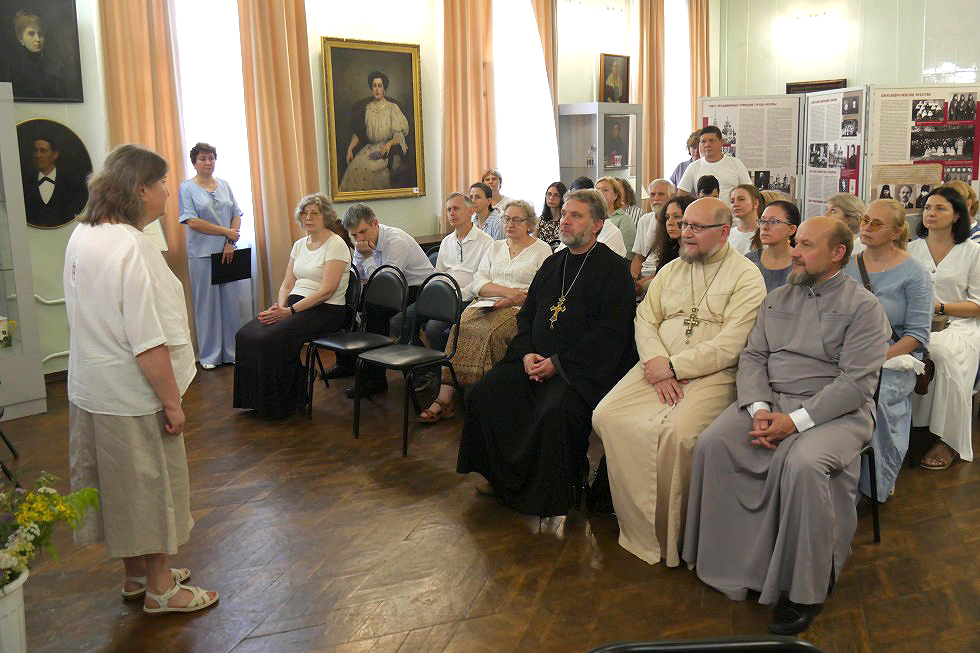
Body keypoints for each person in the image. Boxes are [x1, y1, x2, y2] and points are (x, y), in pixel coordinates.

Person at [683, 217, 890, 635]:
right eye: (797, 243)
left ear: (837, 255)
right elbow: (753, 357)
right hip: (771, 401)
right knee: (713, 443)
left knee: (803, 465)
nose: (794, 251)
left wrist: (793, 423)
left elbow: (855, 384)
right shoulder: (778, 297)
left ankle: (805, 590)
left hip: (835, 412)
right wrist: (760, 408)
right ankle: (726, 562)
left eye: (806, 246)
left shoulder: (864, 307)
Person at [65, 144, 218, 615]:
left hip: (90, 385)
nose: (170, 192)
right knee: (150, 487)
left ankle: (135, 575)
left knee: (120, 486)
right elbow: (148, 339)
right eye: (163, 183)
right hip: (132, 392)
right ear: (140, 189)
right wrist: (172, 403)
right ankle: (160, 590)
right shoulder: (132, 246)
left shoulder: (83, 234)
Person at [592, 197, 766, 566]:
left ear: (723, 232)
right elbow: (645, 319)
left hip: (712, 375)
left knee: (680, 433)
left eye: (696, 228)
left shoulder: (747, 276)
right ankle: (635, 523)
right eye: (684, 225)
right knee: (607, 414)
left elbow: (734, 342)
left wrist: (674, 367)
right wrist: (657, 362)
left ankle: (677, 536)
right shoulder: (670, 270)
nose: (685, 233)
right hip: (655, 367)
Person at [457, 189, 636, 516]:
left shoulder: (614, 271)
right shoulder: (554, 264)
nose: (565, 221)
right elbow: (527, 316)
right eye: (565, 214)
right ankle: (501, 478)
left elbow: (611, 333)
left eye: (575, 216)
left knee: (555, 412)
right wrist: (526, 352)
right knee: (484, 394)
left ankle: (551, 492)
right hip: (533, 359)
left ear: (597, 225)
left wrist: (559, 363)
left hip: (579, 369)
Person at [419, 199, 552, 421]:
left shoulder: (541, 249)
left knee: (492, 334)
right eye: (507, 219)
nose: (510, 224)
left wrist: (511, 300)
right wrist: (507, 292)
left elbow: (542, 290)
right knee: (458, 329)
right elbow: (479, 281)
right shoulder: (496, 246)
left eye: (517, 220)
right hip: (486, 303)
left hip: (520, 308)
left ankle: (486, 397)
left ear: (529, 223)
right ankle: (445, 397)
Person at [843, 200, 932, 499]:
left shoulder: (914, 272)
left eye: (876, 224)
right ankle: (835, 476)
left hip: (893, 356)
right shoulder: (849, 263)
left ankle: (874, 480)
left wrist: (878, 358)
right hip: (850, 351)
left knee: (872, 401)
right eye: (865, 220)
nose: (866, 227)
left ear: (896, 232)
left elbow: (918, 335)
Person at [233, 193, 351, 419]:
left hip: (327, 310)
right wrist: (280, 307)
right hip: (295, 305)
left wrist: (289, 312)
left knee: (270, 339)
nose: (308, 218)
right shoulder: (299, 245)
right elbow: (287, 283)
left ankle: (286, 400)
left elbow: (326, 290)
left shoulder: (336, 244)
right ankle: (255, 400)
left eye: (314, 213)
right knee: (245, 335)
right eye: (304, 213)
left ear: (325, 215)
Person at [908, 187, 980, 469]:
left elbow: (977, 305)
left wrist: (939, 307)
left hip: (963, 325)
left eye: (940, 209)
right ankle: (902, 425)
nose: (930, 213)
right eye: (927, 208)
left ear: (957, 215)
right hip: (916, 322)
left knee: (941, 351)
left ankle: (948, 439)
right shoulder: (912, 248)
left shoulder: (973, 252)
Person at [339, 204, 434, 397]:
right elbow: (358, 275)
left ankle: (375, 378)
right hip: (391, 288)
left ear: (375, 223)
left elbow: (387, 281)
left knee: (375, 312)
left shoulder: (395, 240)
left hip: (420, 288)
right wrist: (365, 262)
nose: (360, 240)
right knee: (348, 304)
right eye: (354, 235)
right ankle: (350, 364)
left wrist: (367, 258)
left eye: (363, 232)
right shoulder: (362, 243)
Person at [178, 142, 251, 369]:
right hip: (201, 255)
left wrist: (230, 241)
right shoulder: (187, 188)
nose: (208, 162)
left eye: (211, 158)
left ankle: (232, 352)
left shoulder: (225, 185)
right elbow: (192, 222)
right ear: (194, 162)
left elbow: (236, 213)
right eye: (202, 159)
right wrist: (225, 232)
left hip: (228, 252)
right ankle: (210, 356)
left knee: (231, 304)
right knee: (206, 306)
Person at [414, 193, 494, 351]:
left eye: (456, 208)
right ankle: (420, 367)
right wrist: (435, 293)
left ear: (471, 212)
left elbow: (482, 279)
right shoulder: (447, 241)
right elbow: (439, 274)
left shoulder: (486, 242)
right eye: (449, 209)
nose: (451, 213)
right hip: (443, 296)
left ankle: (442, 368)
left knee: (433, 329)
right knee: (402, 320)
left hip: (467, 299)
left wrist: (457, 295)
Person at [339, 71, 411, 192]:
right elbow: (359, 134)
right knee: (354, 168)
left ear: (384, 88)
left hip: (385, 150)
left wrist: (388, 144)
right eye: (374, 86)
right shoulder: (366, 108)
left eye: (380, 86)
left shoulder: (392, 108)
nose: (377, 89)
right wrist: (350, 148)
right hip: (368, 149)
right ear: (371, 88)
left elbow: (399, 134)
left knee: (370, 168)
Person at [22, 136, 87, 228]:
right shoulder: (24, 186)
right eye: (36, 150)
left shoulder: (72, 185)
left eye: (43, 150)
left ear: (55, 155)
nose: (38, 155)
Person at [633, 194, 692, 294]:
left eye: (677, 217)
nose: (670, 222)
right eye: (667, 217)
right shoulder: (670, 249)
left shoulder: (696, 254)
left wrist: (648, 284)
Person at [678, 126, 751, 201]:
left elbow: (749, 192)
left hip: (730, 212)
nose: (707, 145)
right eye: (703, 141)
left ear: (721, 142)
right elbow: (681, 194)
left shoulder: (736, 163)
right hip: (704, 211)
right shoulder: (694, 166)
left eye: (711, 140)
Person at [745, 200, 800, 292]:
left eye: (773, 222)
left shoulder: (803, 264)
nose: (765, 227)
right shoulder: (750, 261)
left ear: (791, 229)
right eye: (762, 221)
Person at [631, 179, 675, 280]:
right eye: (652, 194)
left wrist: (648, 281)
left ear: (671, 197)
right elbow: (639, 257)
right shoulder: (644, 220)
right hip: (643, 274)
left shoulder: (675, 222)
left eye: (661, 194)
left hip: (663, 276)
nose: (656, 198)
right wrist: (632, 280)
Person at [596, 176, 636, 257]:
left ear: (615, 195)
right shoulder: (592, 218)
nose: (599, 193)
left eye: (605, 190)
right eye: (597, 189)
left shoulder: (624, 219)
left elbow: (628, 253)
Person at [728, 184, 765, 255]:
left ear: (755, 203)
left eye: (741, 199)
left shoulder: (765, 233)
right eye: (732, 201)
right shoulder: (727, 235)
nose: (735, 204)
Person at [538, 181, 566, 248]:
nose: (551, 198)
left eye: (556, 195)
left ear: (562, 198)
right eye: (549, 194)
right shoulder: (540, 220)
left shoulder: (566, 220)